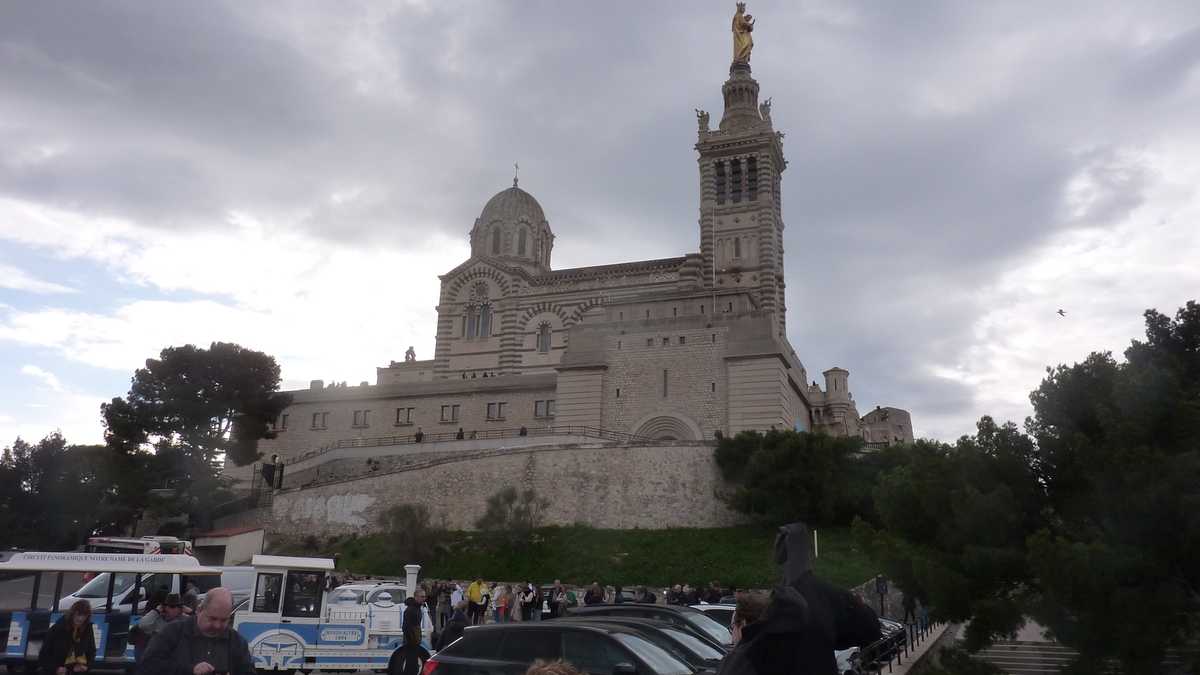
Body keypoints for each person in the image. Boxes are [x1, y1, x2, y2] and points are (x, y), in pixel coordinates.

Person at [140, 587, 254, 675]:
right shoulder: (172, 633)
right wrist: (190, 671)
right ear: (199, 610)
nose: (217, 625)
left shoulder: (237, 642)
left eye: (224, 620)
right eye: (212, 618)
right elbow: (148, 666)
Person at [40, 599, 96, 674]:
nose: (80, 618)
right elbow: (44, 654)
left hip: (76, 670)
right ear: (72, 613)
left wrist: (87, 666)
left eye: (84, 616)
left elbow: (91, 651)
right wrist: (55, 669)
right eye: (78, 614)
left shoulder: (87, 629)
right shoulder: (58, 628)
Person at [132, 592, 185, 661]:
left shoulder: (183, 620)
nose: (173, 609)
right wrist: (156, 611)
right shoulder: (156, 618)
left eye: (176, 607)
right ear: (164, 607)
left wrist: (191, 612)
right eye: (170, 606)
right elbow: (142, 625)